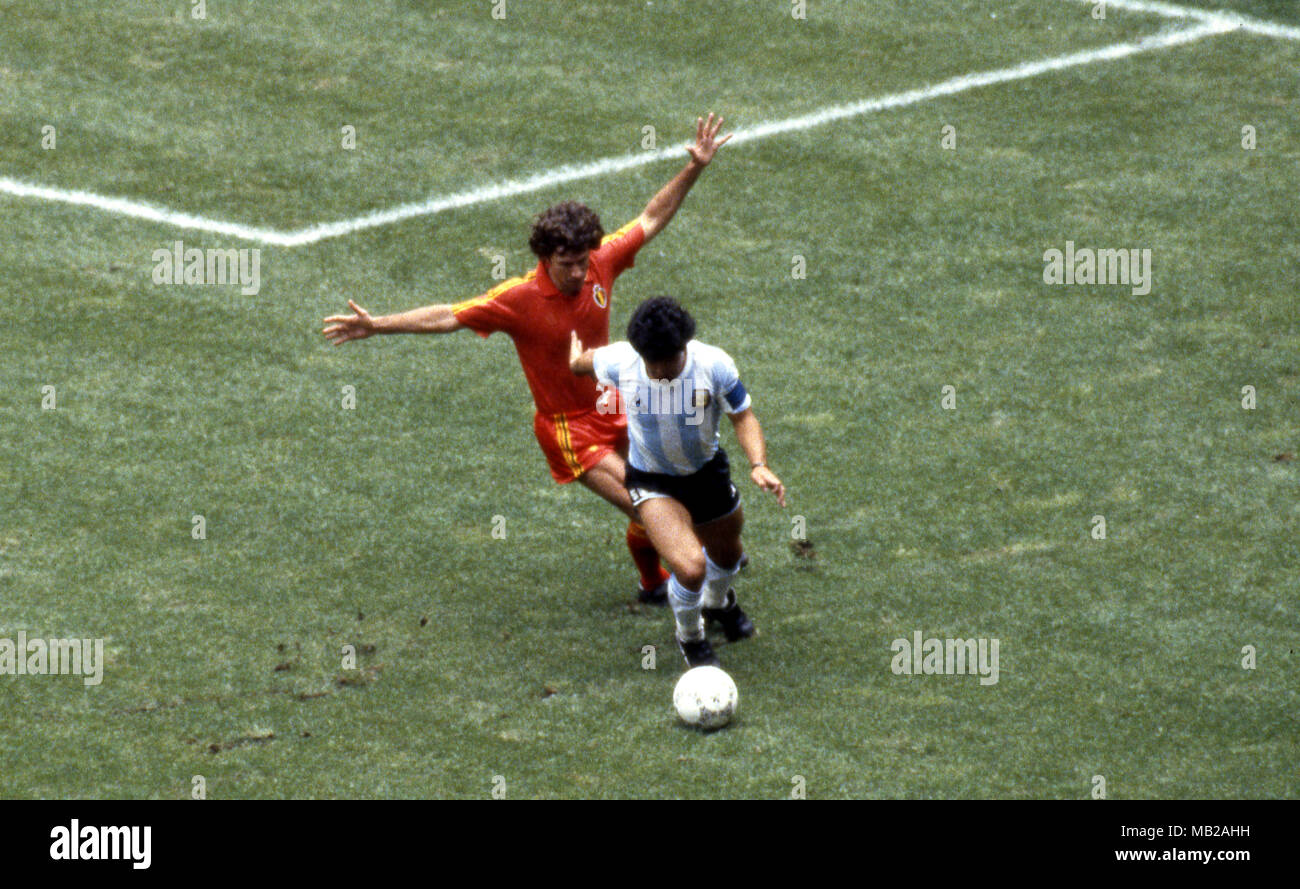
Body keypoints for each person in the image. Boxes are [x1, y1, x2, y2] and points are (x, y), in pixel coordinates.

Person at [322, 114, 733, 604]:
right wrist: (377, 325)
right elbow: (450, 316)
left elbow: (650, 219)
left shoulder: (599, 262)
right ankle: (697, 583)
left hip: (616, 405)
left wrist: (695, 168)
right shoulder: (517, 298)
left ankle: (652, 584)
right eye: (567, 264)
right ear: (544, 258)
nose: (580, 272)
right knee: (651, 503)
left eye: (584, 261)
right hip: (571, 429)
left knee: (662, 497)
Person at [569, 297, 785, 667]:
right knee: (689, 567)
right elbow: (584, 363)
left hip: (706, 474)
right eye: (650, 360)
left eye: (666, 360)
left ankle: (717, 604)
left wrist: (758, 464)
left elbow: (743, 416)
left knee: (729, 553)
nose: (657, 369)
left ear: (684, 347)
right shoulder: (622, 361)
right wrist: (575, 359)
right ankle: (691, 637)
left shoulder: (714, 365)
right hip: (652, 481)